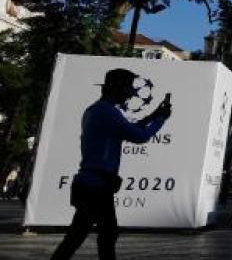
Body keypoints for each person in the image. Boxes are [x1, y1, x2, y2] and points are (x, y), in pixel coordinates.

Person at [50, 68, 172, 260]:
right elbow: (139, 136)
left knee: (82, 235)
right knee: (104, 235)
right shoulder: (107, 112)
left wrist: (153, 115)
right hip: (96, 186)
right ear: (117, 88)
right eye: (128, 90)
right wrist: (160, 120)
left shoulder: (96, 110)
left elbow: (128, 129)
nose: (130, 95)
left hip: (91, 184)